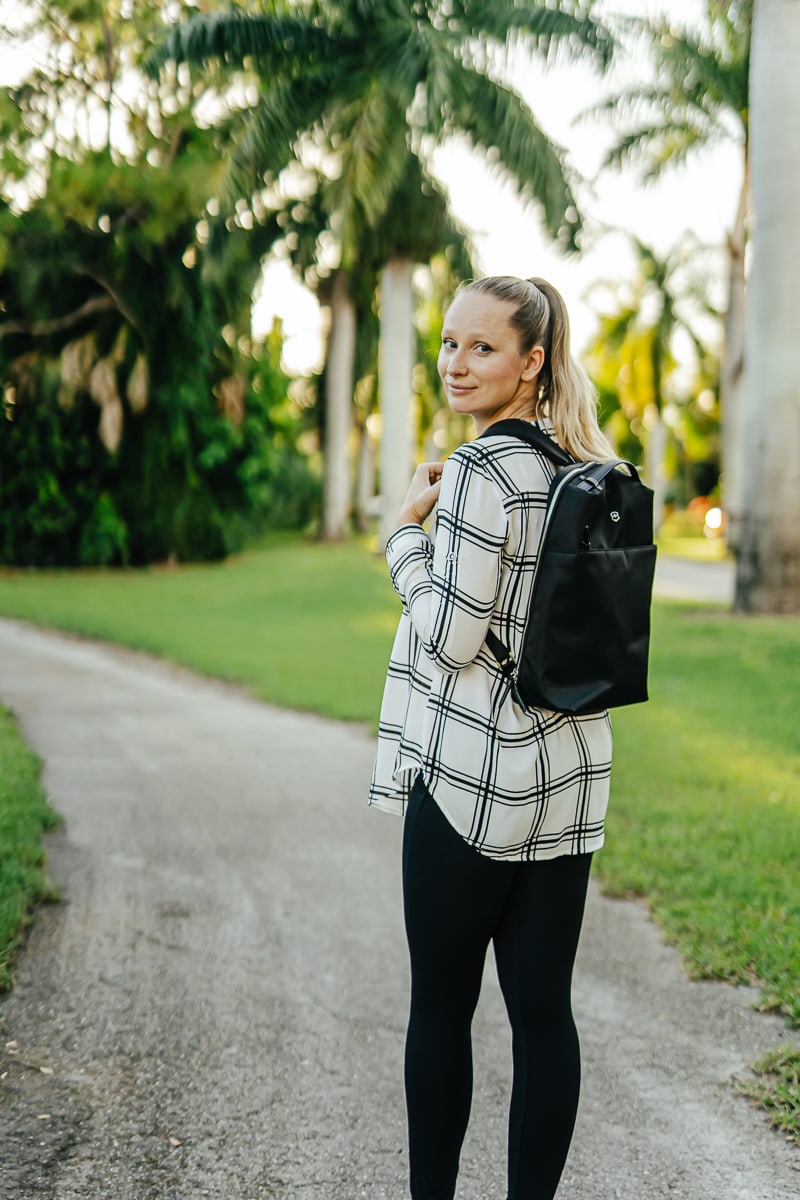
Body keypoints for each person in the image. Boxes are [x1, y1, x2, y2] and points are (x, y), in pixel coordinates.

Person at [369, 275, 617, 1200]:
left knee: (441, 1006)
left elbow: (450, 636)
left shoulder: (480, 471)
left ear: (532, 361)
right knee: (544, 1014)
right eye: (449, 343)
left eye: (482, 347)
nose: (457, 364)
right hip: (567, 779)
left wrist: (404, 534)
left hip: (472, 779)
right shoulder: (584, 468)